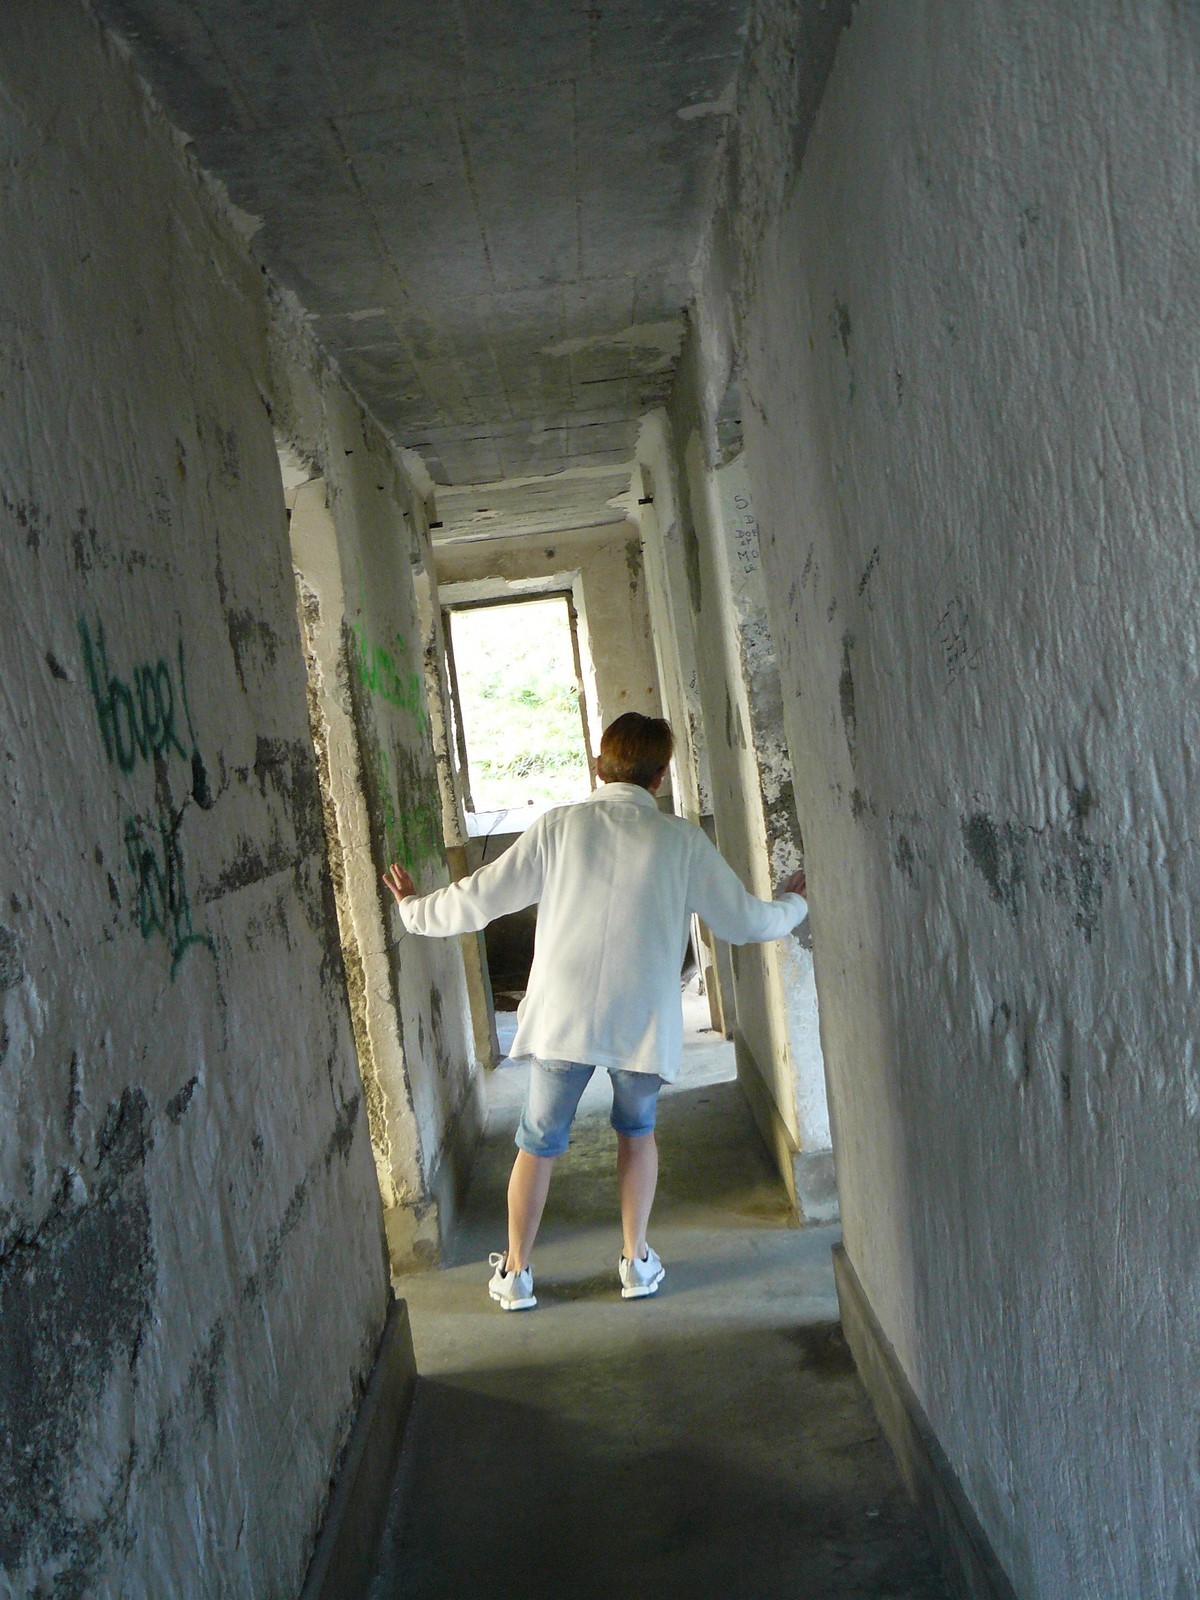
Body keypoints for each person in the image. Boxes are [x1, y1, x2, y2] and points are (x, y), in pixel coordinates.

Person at [382, 712, 807, 1311]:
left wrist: (414, 910)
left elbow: (481, 898)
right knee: (637, 1132)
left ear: (599, 765)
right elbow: (744, 921)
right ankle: (636, 1261)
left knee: (537, 1143)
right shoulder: (681, 840)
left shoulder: (559, 827)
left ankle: (516, 1272)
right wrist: (792, 904)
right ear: (660, 775)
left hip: (565, 1017)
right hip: (641, 1021)